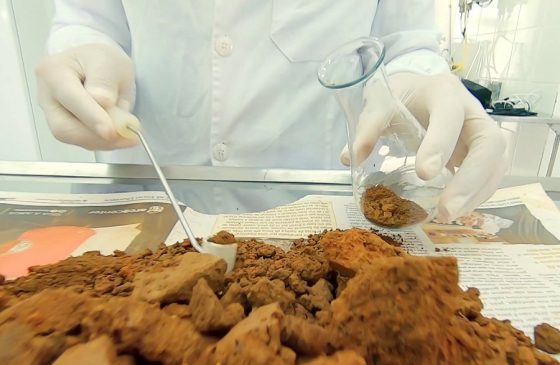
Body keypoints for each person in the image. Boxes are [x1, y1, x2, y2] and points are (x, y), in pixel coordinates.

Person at [35, 0, 509, 220]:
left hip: (316, 219)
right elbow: (87, 20)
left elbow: (406, 43)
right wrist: (89, 54)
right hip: (147, 206)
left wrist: (417, 81)